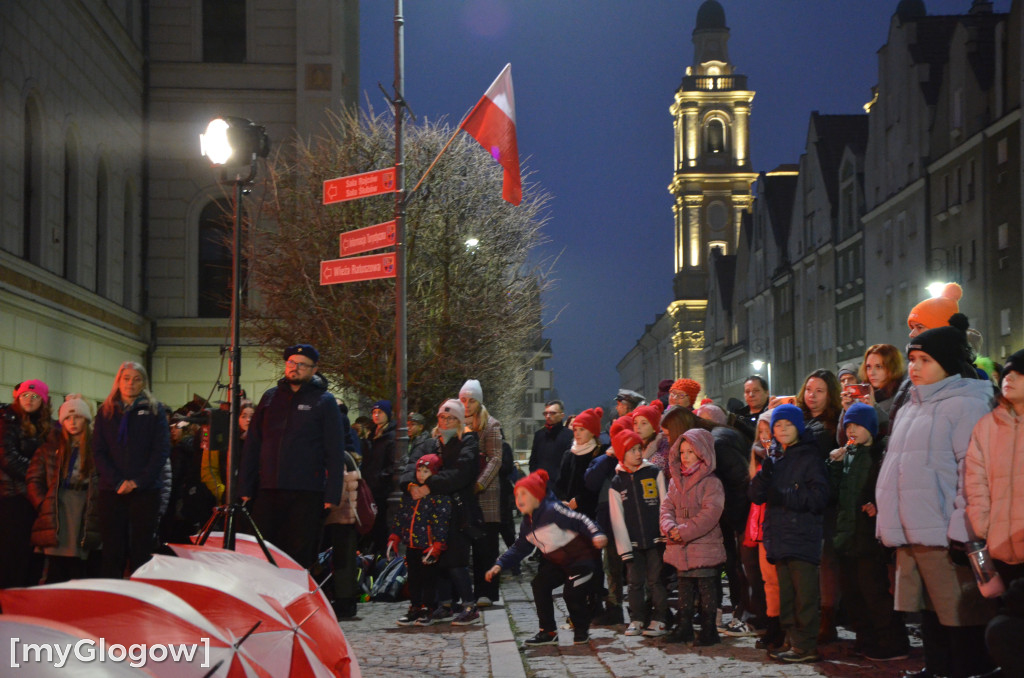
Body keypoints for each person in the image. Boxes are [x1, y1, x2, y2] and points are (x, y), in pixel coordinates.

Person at [875, 314, 997, 678]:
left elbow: (971, 473)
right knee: (927, 609)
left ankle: (966, 670)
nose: (915, 367)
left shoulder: (968, 404)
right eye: (912, 359)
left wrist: (966, 527)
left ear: (947, 362)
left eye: (925, 360)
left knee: (960, 612)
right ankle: (936, 667)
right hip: (914, 531)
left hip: (947, 534)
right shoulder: (913, 405)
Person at [237, 344, 345, 570]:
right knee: (263, 551)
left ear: (314, 369)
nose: (294, 368)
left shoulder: (324, 401)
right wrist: (245, 487)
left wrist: (332, 493)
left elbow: (334, 451)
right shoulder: (270, 398)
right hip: (268, 488)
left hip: (306, 491)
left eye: (301, 365)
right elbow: (253, 444)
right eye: (291, 363)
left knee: (298, 554)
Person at [486, 469, 608, 647]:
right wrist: (500, 563)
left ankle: (581, 630)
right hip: (559, 562)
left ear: (536, 496)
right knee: (540, 585)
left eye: (524, 495)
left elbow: (581, 520)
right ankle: (548, 631)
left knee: (572, 594)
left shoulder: (553, 510)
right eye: (517, 495)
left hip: (582, 561)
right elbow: (521, 547)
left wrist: (596, 534)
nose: (519, 500)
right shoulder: (528, 523)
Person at [826, 402, 909, 660]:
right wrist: (834, 464)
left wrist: (878, 505)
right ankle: (866, 638)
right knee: (852, 594)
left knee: (873, 591)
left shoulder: (879, 453)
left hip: (868, 535)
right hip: (846, 535)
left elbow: (887, 486)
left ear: (870, 428)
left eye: (857, 425)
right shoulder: (847, 454)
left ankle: (892, 642)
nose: (852, 429)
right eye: (848, 425)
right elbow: (834, 492)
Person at [749, 404, 830, 664]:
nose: (782, 430)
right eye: (778, 426)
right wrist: (766, 474)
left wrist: (786, 495)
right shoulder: (776, 458)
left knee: (804, 596)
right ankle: (791, 641)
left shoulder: (810, 456)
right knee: (787, 596)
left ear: (799, 427)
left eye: (788, 425)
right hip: (780, 535)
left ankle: (806, 646)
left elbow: (820, 497)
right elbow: (755, 494)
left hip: (802, 534)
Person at [401, 399, 481, 626]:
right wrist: (410, 486)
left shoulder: (467, 442)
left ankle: (469, 605)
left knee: (456, 562)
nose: (445, 421)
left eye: (451, 418)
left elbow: (461, 473)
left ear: (459, 420)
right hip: (431, 513)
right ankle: (444, 605)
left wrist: (430, 485)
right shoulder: (430, 443)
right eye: (442, 417)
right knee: (440, 562)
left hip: (458, 511)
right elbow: (410, 466)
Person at [93, 362, 171, 578]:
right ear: (118, 381)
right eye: (126, 378)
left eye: (136, 379)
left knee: (141, 549)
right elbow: (98, 451)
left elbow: (161, 450)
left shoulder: (156, 411)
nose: (130, 383)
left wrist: (138, 481)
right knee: (112, 549)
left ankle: (140, 596)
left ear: (143, 383)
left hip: (145, 491)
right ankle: (113, 595)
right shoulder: (105, 411)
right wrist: (117, 481)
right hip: (112, 490)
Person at [661, 428, 726, 645]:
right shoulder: (675, 482)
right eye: (682, 452)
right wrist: (669, 527)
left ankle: (709, 629)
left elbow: (710, 514)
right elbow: (666, 508)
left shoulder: (711, 483)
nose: (685, 457)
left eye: (691, 452)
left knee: (706, 588)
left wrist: (684, 531)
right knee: (684, 589)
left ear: (702, 454)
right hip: (680, 546)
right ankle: (684, 625)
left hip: (703, 545)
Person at [26, 395, 101, 583]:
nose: (73, 422)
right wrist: (43, 503)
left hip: (84, 507)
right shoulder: (49, 448)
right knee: (55, 566)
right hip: (58, 508)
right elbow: (34, 478)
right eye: (68, 418)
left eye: (78, 417)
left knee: (81, 564)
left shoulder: (97, 448)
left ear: (86, 419)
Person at [966, 348, 1024, 586]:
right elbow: (975, 483)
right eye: (1007, 372)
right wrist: (984, 528)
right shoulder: (987, 426)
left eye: (1019, 373)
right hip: (999, 548)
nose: (1008, 378)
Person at [608, 428, 668, 637]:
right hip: (632, 543)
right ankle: (636, 618)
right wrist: (623, 548)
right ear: (621, 454)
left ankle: (660, 618)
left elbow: (664, 502)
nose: (637, 453)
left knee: (656, 580)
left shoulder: (654, 473)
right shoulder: (617, 483)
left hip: (656, 538)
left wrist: (665, 532)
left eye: (638, 449)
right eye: (631, 450)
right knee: (634, 583)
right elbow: (617, 519)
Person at [388, 453, 452, 626]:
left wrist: (438, 543)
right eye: (419, 471)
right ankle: (415, 607)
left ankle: (428, 608)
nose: (421, 475)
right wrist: (395, 536)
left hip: (428, 546)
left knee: (429, 579)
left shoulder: (439, 496)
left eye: (426, 471)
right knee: (414, 578)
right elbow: (401, 516)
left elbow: (442, 521)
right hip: (412, 544)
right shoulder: (411, 494)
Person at [0, 378, 53, 588]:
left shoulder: (45, 425)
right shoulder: (8, 420)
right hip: (14, 496)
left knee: (34, 551)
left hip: (35, 497)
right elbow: (7, 457)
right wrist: (35, 476)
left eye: (34, 396)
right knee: (14, 552)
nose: (29, 400)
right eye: (25, 395)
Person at [459, 379, 503, 607]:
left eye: (471, 400)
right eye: (463, 400)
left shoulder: (491, 425)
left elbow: (496, 458)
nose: (466, 404)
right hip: (463, 493)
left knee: (486, 547)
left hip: (485, 494)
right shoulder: (457, 422)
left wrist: (480, 483)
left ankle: (487, 591)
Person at [585, 414, 632, 626]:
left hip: (634, 518)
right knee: (611, 565)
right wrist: (608, 458)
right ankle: (614, 608)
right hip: (610, 517)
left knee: (635, 567)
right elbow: (591, 482)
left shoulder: (637, 456)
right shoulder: (604, 458)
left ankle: (642, 609)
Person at [322, 449, 361, 619]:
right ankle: (346, 601)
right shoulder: (344, 456)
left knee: (343, 560)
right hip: (344, 516)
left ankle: (344, 602)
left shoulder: (338, 457)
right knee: (344, 560)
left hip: (340, 515)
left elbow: (342, 488)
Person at [361, 399, 396, 555]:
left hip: (382, 489)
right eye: (374, 412)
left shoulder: (391, 436)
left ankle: (380, 555)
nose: (376, 415)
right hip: (370, 487)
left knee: (381, 524)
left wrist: (381, 477)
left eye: (380, 412)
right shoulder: (373, 435)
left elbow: (395, 463)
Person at [556, 407, 603, 519]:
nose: (577, 433)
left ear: (592, 432)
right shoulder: (569, 454)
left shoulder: (599, 453)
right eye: (575, 430)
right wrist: (561, 500)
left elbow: (598, 485)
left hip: (592, 512)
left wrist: (580, 500)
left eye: (582, 429)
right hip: (569, 511)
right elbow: (561, 482)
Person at [528, 400, 573, 492]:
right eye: (546, 413)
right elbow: (533, 461)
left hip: (561, 489)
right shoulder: (539, 435)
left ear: (562, 415)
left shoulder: (569, 435)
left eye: (552, 413)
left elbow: (570, 465)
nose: (548, 416)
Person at [630, 399, 667, 471]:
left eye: (644, 423)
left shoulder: (663, 449)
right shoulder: (632, 447)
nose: (638, 427)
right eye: (635, 423)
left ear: (654, 427)